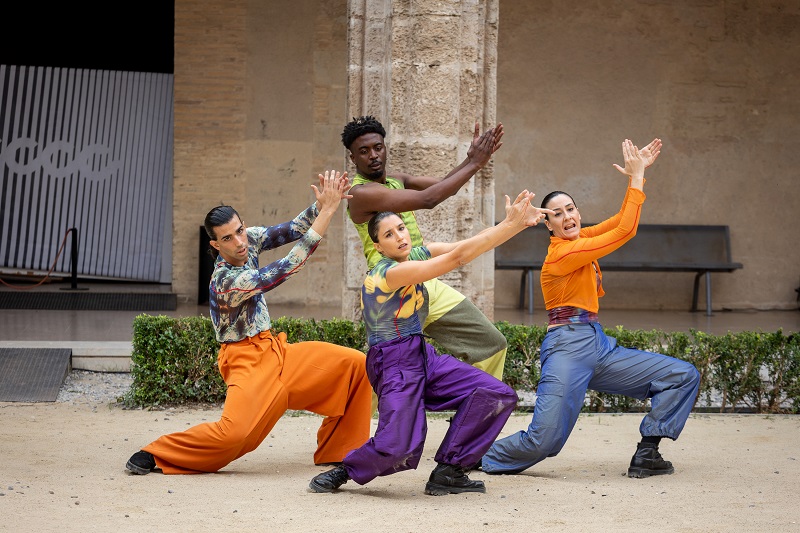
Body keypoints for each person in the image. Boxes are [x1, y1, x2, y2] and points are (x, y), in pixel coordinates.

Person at [125, 170, 373, 475]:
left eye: (240, 230)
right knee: (236, 436)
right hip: (245, 361)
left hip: (276, 351)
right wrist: (330, 211)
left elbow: (292, 230)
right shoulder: (226, 281)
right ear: (216, 246)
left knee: (355, 366)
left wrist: (320, 204)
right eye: (228, 238)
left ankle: (341, 452)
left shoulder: (248, 240)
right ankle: (157, 453)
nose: (239, 241)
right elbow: (285, 268)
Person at [480, 139, 701, 479]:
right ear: (548, 224)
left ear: (578, 213)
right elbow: (626, 230)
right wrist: (638, 176)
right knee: (545, 442)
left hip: (597, 346)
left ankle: (648, 452)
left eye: (571, 209)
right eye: (557, 214)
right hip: (567, 348)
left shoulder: (580, 242)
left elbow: (618, 224)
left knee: (681, 376)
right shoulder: (562, 254)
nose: (567, 216)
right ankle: (467, 453)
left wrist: (634, 178)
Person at [308, 189, 553, 496]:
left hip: (424, 356)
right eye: (389, 234)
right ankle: (345, 470)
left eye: (400, 228)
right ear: (378, 246)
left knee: (494, 393)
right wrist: (509, 225)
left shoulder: (414, 255)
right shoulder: (389, 273)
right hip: (394, 365)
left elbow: (462, 246)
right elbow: (459, 258)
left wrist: (515, 224)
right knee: (398, 447)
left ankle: (450, 471)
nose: (399, 236)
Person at [342, 116, 508, 380]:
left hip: (425, 281)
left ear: (385, 147)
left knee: (491, 345)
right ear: (353, 158)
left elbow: (444, 188)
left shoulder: (397, 180)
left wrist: (472, 160)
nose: (373, 155)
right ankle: (363, 417)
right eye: (364, 151)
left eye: (378, 147)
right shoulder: (360, 194)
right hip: (391, 289)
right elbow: (429, 199)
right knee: (393, 372)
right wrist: (475, 163)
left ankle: (478, 413)